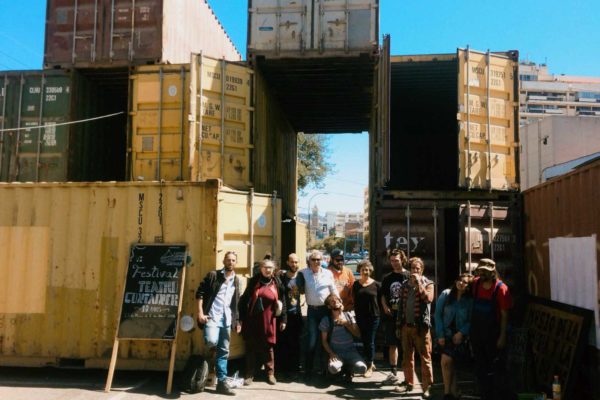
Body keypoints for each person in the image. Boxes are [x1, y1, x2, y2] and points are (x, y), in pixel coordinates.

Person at [196, 251, 242, 396]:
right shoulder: (213, 276)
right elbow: (199, 294)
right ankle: (212, 359)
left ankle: (221, 382)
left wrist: (237, 321)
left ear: (236, 263)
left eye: (233, 260)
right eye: (228, 260)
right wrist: (200, 314)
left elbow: (235, 303)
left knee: (224, 351)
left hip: (226, 319)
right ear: (223, 261)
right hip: (212, 317)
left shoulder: (236, 280)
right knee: (211, 340)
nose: (230, 262)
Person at [470, 258, 514, 400]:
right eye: (480, 270)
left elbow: (504, 315)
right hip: (477, 334)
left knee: (496, 369)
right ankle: (485, 394)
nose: (481, 273)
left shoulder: (501, 288)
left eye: (485, 271)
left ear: (492, 272)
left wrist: (502, 337)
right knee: (480, 368)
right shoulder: (476, 284)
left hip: (493, 336)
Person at [239, 259, 287, 386]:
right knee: (250, 347)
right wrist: (240, 320)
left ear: (273, 269)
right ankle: (249, 374)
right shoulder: (254, 281)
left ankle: (270, 374)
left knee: (268, 347)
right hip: (253, 320)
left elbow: (283, 301)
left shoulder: (277, 282)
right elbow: (244, 301)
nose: (268, 270)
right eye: (265, 267)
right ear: (260, 268)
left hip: (269, 319)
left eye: (270, 267)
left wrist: (283, 319)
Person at [295, 249, 338, 383]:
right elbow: (292, 280)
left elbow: (333, 289)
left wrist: (338, 302)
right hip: (312, 312)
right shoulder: (303, 273)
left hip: (326, 310)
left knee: (327, 339)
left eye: (319, 259)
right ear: (309, 261)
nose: (316, 262)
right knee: (312, 342)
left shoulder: (328, 273)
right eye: (313, 259)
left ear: (322, 261)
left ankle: (326, 370)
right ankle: (308, 371)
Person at [395, 257, 435, 398]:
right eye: (413, 268)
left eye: (418, 268)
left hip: (421, 328)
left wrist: (419, 283)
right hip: (406, 326)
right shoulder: (405, 285)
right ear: (410, 269)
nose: (415, 271)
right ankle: (409, 383)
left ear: (422, 270)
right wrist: (399, 325)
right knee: (407, 357)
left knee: (425, 358)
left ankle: (426, 387)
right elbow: (401, 307)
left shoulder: (428, 283)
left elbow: (428, 299)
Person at [434, 273, 474, 400]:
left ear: (468, 286)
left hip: (459, 335)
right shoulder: (446, 294)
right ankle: (447, 393)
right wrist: (440, 334)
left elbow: (471, 320)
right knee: (446, 361)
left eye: (465, 282)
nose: (461, 283)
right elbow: (438, 315)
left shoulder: (469, 300)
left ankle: (454, 390)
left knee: (452, 362)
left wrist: (462, 332)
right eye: (459, 280)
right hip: (445, 334)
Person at [319, 293, 367, 383]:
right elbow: (324, 341)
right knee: (333, 368)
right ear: (329, 306)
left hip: (351, 351)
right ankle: (343, 370)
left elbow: (358, 334)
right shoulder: (326, 320)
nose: (336, 302)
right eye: (332, 301)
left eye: (337, 300)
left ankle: (349, 369)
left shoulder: (348, 315)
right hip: (336, 353)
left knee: (362, 369)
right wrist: (331, 353)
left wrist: (346, 323)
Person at [380, 249, 410, 384]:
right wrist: (385, 306)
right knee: (393, 344)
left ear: (402, 260)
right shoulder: (387, 278)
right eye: (392, 261)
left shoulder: (409, 276)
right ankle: (393, 372)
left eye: (396, 260)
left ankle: (407, 374)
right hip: (391, 316)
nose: (394, 263)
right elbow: (382, 295)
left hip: (405, 317)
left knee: (406, 345)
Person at [275, 253, 303, 378]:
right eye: (292, 262)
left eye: (296, 262)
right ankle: (281, 369)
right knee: (283, 343)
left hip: (296, 314)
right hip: (284, 315)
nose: (294, 264)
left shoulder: (301, 276)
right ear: (287, 262)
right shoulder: (282, 276)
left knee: (295, 343)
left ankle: (294, 369)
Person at [352, 259, 381, 378]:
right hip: (360, 316)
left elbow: (381, 301)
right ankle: (371, 361)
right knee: (364, 340)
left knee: (369, 341)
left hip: (373, 317)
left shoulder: (377, 284)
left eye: (368, 270)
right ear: (360, 270)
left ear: (371, 271)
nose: (366, 271)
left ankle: (369, 366)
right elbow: (355, 300)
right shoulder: (356, 284)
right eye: (364, 269)